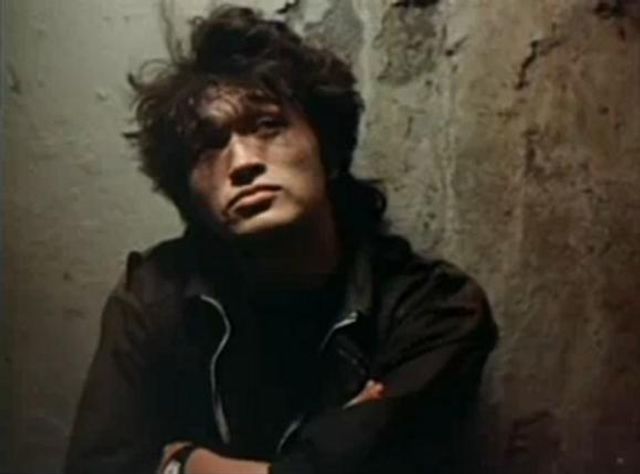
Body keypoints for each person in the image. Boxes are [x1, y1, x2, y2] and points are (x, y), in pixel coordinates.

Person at [65, 5, 498, 474]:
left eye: (267, 126)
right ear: (188, 192)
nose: (242, 162)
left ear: (328, 147)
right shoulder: (154, 298)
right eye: (208, 146)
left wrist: (185, 465)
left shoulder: (435, 310)